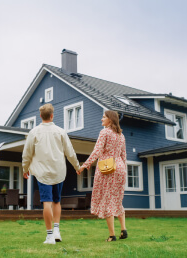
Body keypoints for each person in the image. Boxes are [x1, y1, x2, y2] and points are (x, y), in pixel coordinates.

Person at [22, 103, 80, 244]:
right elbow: (70, 152)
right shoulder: (61, 131)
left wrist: (25, 168)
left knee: (47, 203)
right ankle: (56, 231)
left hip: (43, 174)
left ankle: (49, 236)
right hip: (58, 172)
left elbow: (27, 153)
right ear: (52, 115)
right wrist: (77, 166)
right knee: (56, 201)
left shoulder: (34, 132)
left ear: (40, 116)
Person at [78, 110, 128, 241]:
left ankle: (112, 235)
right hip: (120, 168)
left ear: (110, 120)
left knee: (107, 201)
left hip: (108, 168)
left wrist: (85, 164)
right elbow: (124, 156)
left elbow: (97, 151)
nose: (101, 119)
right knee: (117, 200)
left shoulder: (105, 132)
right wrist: (124, 171)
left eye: (103, 117)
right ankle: (123, 230)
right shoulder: (121, 136)